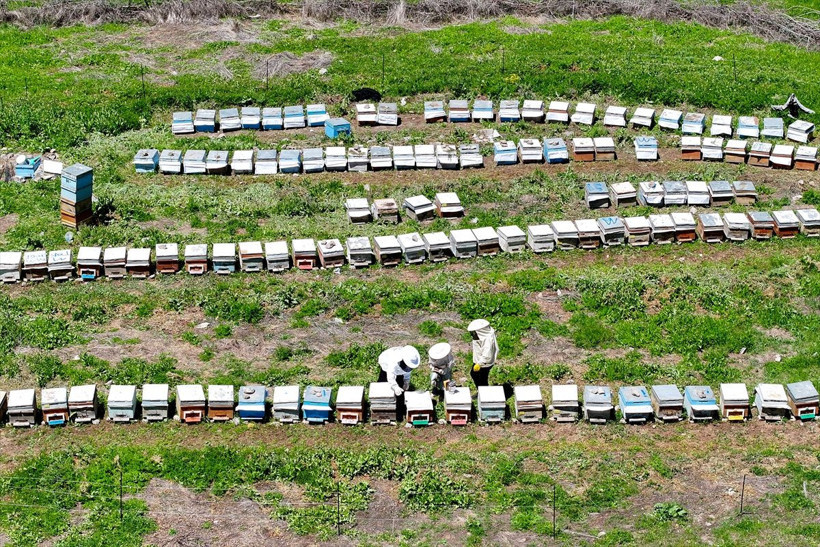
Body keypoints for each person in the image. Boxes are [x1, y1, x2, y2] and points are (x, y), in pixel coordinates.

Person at [467, 319, 499, 387]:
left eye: (474, 332)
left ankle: (484, 394)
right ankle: (481, 392)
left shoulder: (488, 340)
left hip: (484, 363)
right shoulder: (483, 336)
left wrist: (479, 364)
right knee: (476, 375)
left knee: (481, 379)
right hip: (479, 361)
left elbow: (487, 355)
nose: (473, 334)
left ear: (480, 332)